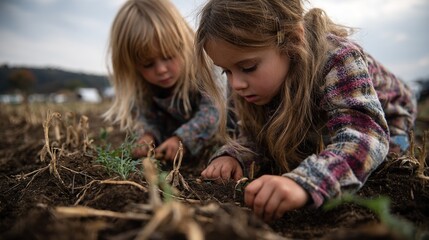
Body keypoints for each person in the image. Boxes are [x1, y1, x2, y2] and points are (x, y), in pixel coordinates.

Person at [195, 0, 417, 222]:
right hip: (320, 116)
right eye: (226, 72)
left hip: (391, 114)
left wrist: (305, 182)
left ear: (293, 39)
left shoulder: (338, 58)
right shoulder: (249, 81)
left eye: (248, 68)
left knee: (381, 173)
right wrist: (235, 156)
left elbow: (365, 136)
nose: (236, 84)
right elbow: (258, 136)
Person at [103, 0, 221, 162]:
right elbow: (146, 117)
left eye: (168, 56)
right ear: (133, 65)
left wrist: (181, 139)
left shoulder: (204, 65)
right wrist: (147, 135)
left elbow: (213, 111)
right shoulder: (143, 85)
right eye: (148, 64)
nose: (161, 70)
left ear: (182, 42)